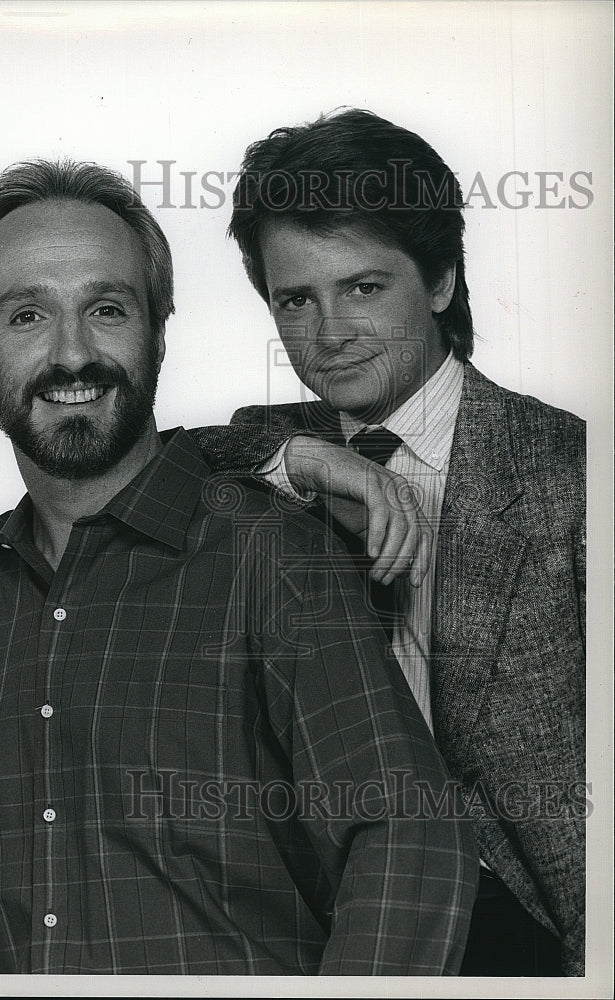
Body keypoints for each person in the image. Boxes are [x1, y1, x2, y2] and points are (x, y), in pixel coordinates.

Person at [0, 158, 478, 976]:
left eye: (108, 309)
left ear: (158, 331)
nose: (72, 353)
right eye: (25, 315)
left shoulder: (269, 554)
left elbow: (404, 832)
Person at [190, 109, 586, 976]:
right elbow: (156, 460)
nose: (328, 333)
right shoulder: (268, 446)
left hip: (525, 922)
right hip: (321, 921)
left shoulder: (571, 473)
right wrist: (299, 457)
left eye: (364, 288)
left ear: (440, 280)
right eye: (296, 299)